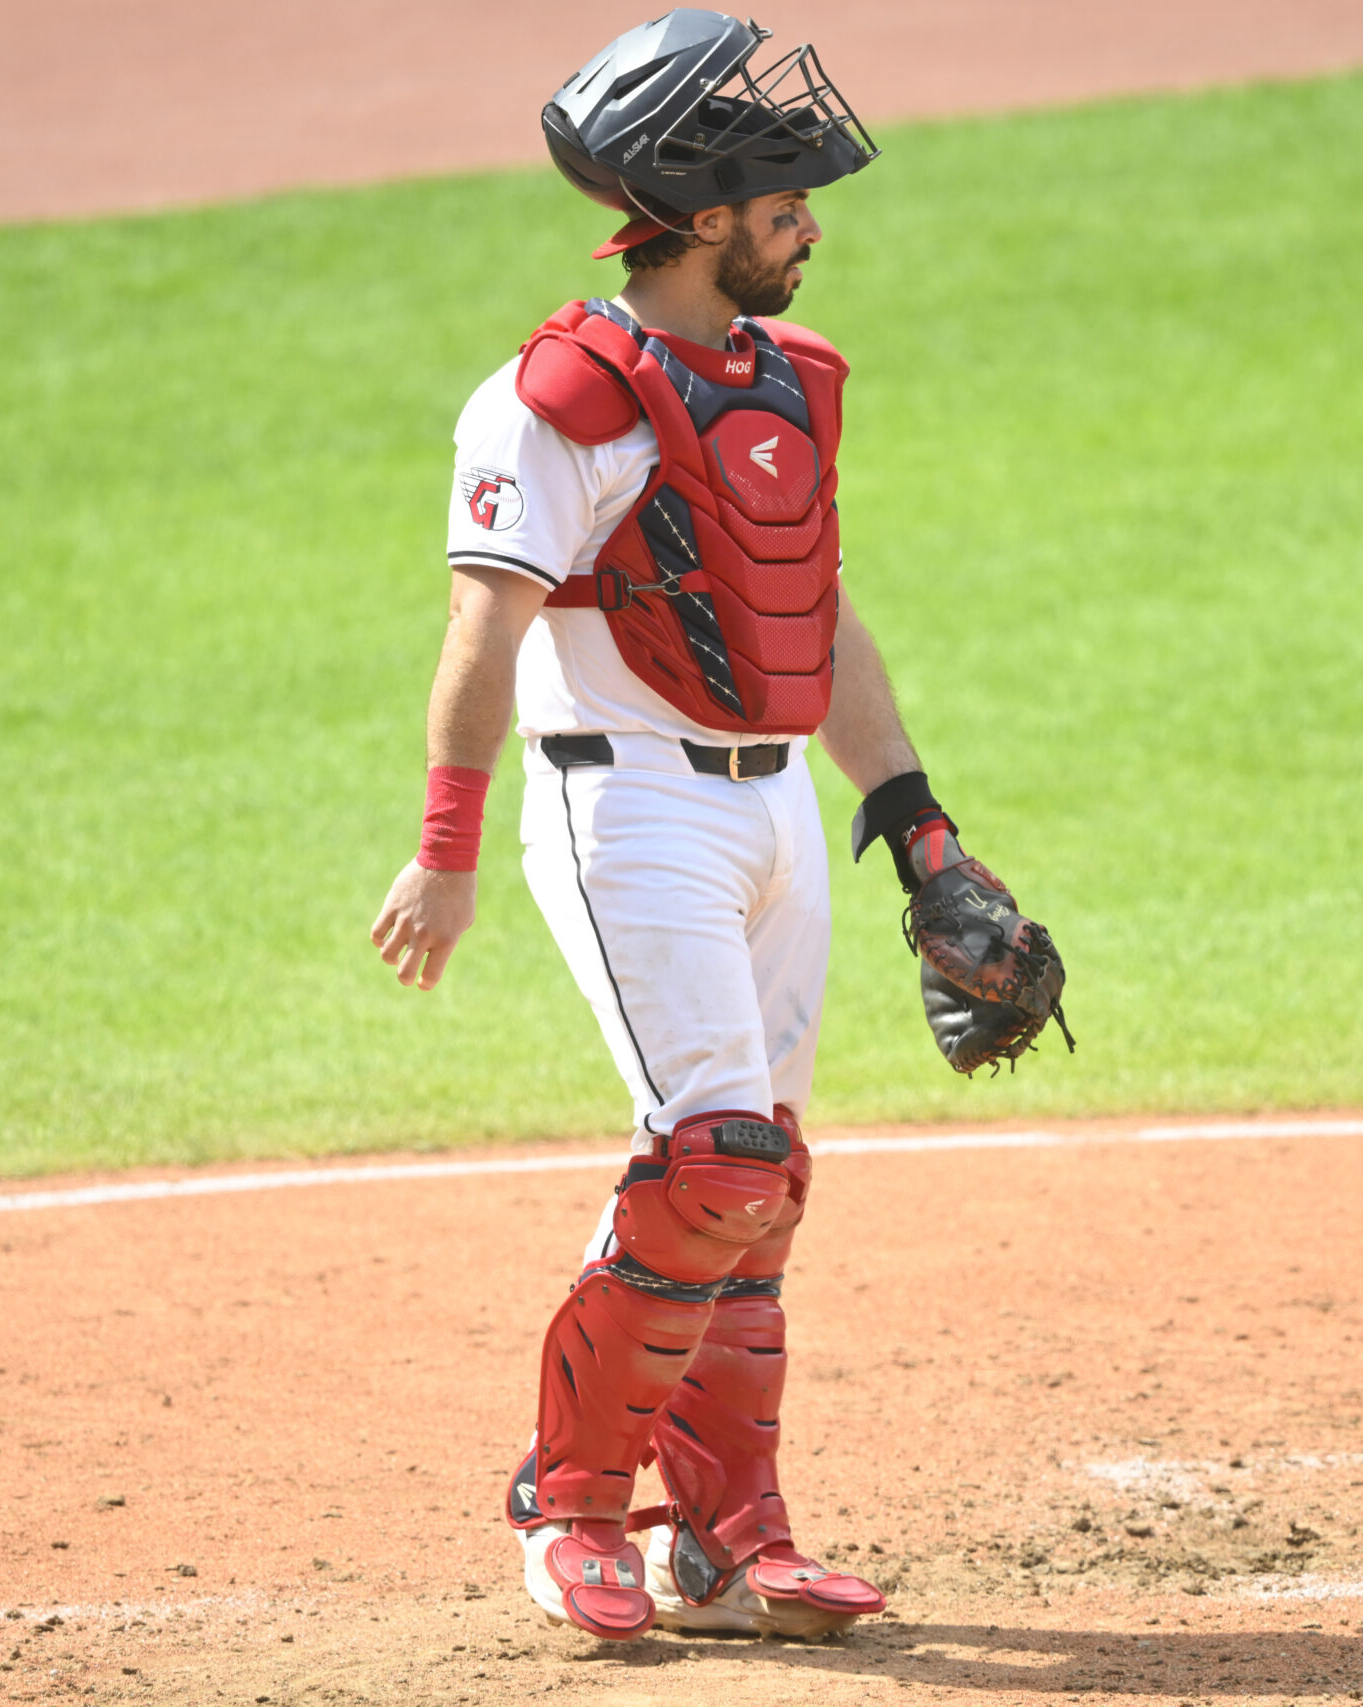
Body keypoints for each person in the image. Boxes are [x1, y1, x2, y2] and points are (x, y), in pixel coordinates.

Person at [370, 9, 1058, 1642]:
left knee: (771, 1181)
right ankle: (574, 1505)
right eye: (782, 204)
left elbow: (811, 617)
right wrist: (446, 851)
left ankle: (734, 1537)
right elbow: (483, 634)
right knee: (712, 1162)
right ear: (696, 218)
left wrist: (921, 832)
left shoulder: (791, 384)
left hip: (774, 819)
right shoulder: (553, 401)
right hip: (624, 805)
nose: (811, 223)